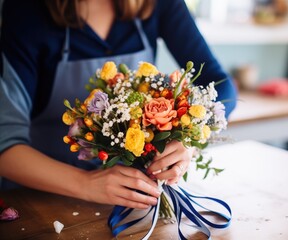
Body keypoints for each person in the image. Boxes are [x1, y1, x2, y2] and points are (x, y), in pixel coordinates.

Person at [0, 0, 237, 209]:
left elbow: (222, 85)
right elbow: (5, 146)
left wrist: (190, 141)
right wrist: (85, 184)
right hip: (38, 198)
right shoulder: (25, 9)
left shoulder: (159, 4)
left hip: (133, 199)